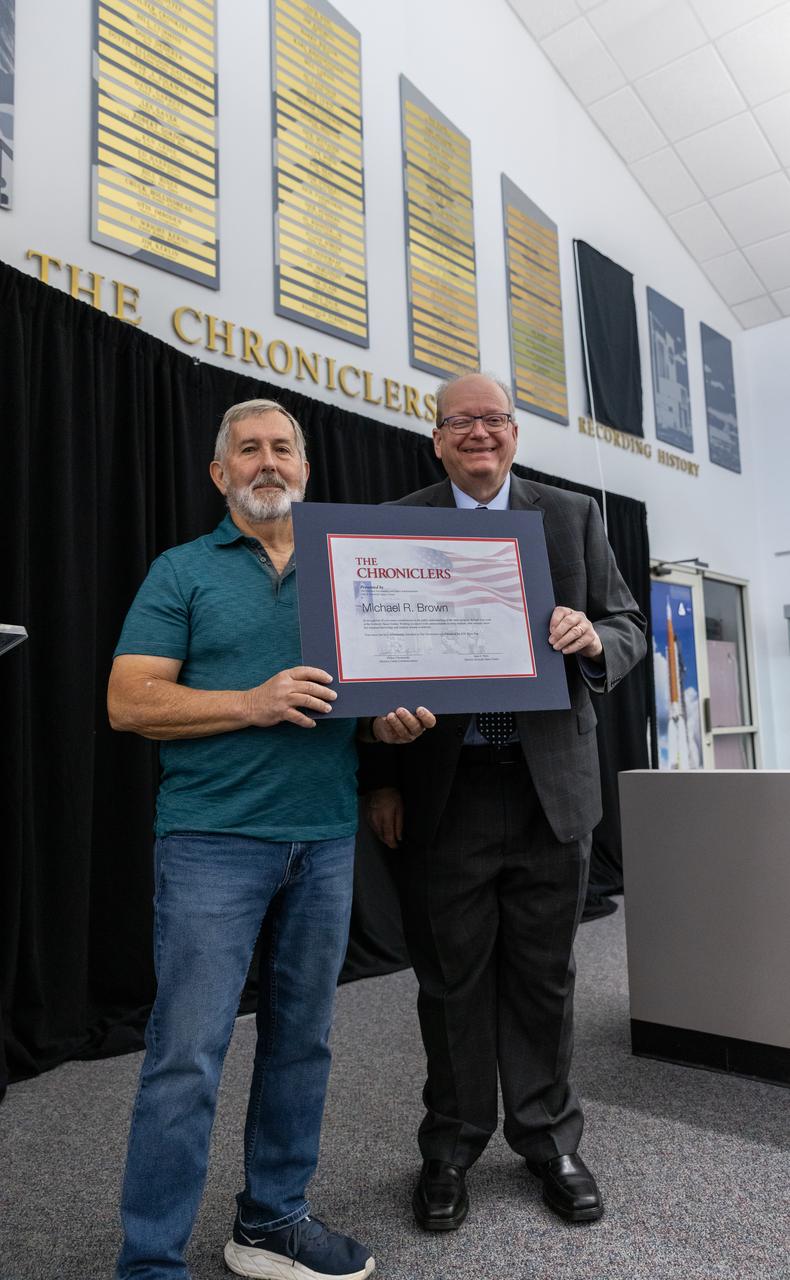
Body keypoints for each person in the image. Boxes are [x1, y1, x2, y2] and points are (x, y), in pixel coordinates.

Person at [107, 397, 434, 1280]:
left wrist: (388, 724)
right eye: (248, 449)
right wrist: (251, 701)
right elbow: (129, 701)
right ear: (221, 474)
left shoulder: (351, 571)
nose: (267, 462)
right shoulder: (182, 571)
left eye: (282, 447)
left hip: (324, 841)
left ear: (306, 468)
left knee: (303, 1042)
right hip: (211, 842)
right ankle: (149, 1262)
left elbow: (369, 700)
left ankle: (273, 1221)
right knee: (185, 1057)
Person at [363, 373, 646, 1232]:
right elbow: (367, 660)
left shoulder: (571, 516)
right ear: (436, 438)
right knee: (449, 980)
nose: (479, 433)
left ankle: (548, 1139)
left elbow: (627, 625)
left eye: (494, 419)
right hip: (444, 792)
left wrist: (593, 639)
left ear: (515, 433)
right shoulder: (394, 524)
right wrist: (381, 774)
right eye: (461, 422)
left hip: (549, 790)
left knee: (544, 976)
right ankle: (450, 1145)